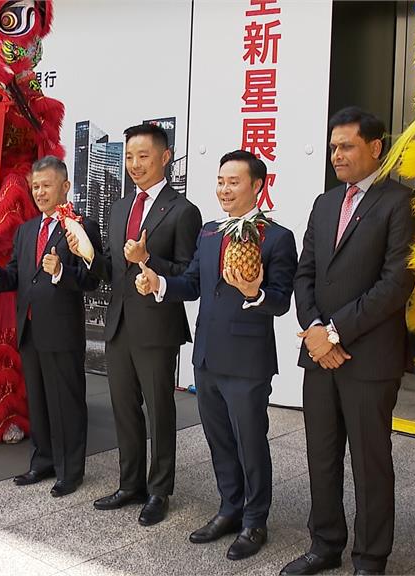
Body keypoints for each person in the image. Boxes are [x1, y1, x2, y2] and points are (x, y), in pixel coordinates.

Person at [135, 150, 297, 560]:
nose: (224, 189)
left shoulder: (277, 237)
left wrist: (253, 293)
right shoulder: (209, 233)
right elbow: (191, 283)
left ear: (258, 186)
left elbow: (280, 301)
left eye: (234, 182)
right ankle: (229, 508)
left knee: (250, 443)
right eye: (221, 181)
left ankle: (255, 519)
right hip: (206, 356)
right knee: (219, 440)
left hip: (247, 361)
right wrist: (160, 282)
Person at [283, 107, 415, 576]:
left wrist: (335, 331)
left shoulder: (400, 202)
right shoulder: (324, 203)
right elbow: (305, 274)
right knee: (321, 455)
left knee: (369, 461)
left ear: (375, 148)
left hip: (369, 357)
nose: (336, 155)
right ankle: (324, 545)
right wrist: (317, 333)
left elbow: (396, 283)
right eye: (333, 146)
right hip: (319, 354)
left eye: (347, 146)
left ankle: (371, 557)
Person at [76, 123, 202, 526]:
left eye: (143, 156)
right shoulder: (119, 207)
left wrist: (151, 261)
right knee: (123, 408)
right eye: (129, 156)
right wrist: (85, 254)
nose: (134, 164)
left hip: (157, 326)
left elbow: (188, 275)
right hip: (118, 323)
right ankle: (130, 483)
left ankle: (159, 490)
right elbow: (113, 268)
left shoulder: (183, 211)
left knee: (160, 411)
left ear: (165, 157)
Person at [0, 156, 102, 498]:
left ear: (65, 186)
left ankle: (70, 470)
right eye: (35, 186)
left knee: (67, 401)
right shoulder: (27, 229)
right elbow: (17, 276)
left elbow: (93, 279)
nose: (40, 192)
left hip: (62, 331)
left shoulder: (81, 227)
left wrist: (62, 271)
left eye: (47, 185)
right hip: (30, 329)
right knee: (40, 401)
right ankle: (43, 460)